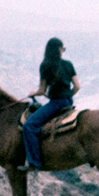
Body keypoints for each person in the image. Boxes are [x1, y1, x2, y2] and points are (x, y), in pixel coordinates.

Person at [18, 37, 79, 170]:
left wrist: (33, 93)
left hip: (56, 103)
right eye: (63, 48)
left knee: (29, 125)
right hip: (68, 101)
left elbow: (42, 90)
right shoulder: (68, 64)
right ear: (59, 49)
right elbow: (77, 86)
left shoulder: (45, 65)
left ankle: (35, 163)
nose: (63, 51)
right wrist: (68, 96)